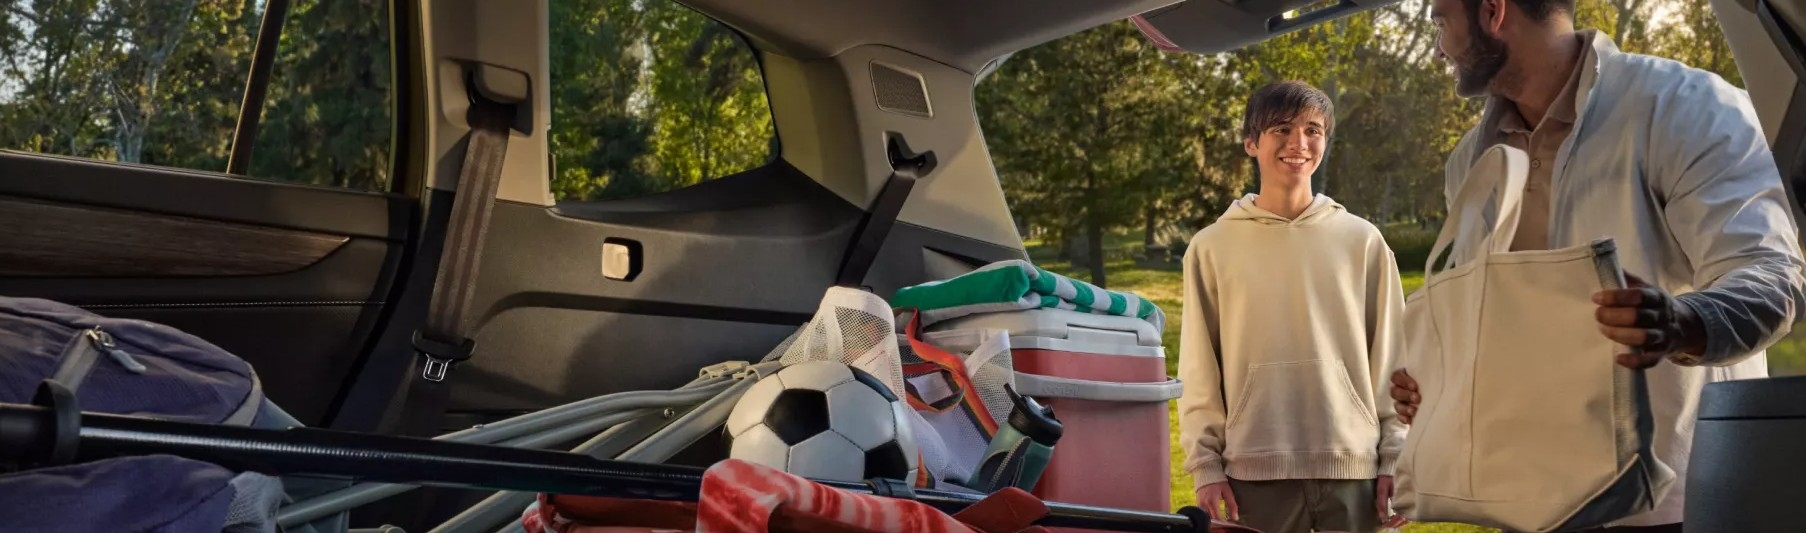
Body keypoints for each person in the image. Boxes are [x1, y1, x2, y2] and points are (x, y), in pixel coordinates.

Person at [1389, 0, 1806, 530]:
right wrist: (1435, 378)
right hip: (1527, 503)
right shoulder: (1469, 162)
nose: (1439, 44)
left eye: (1440, 20)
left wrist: (1684, 323)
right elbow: (1492, 327)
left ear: (1493, 12)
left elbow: (1771, 275)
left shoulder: (1687, 107)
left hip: (1677, 504)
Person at [1178, 80, 1409, 533]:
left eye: (1313, 129)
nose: (1298, 143)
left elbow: (1394, 358)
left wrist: (1396, 457)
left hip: (1353, 469)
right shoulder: (1212, 247)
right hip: (1253, 473)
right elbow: (1199, 367)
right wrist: (1206, 466)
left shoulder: (1362, 242)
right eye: (1281, 129)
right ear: (1251, 142)